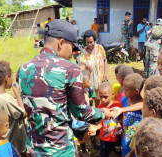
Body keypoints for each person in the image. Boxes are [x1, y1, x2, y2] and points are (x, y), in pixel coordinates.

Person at [16, 19, 112, 156]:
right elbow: (82, 112)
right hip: (60, 149)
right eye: (73, 48)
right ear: (61, 43)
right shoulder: (70, 69)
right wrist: (104, 113)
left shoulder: (23, 69)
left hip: (34, 148)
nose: (73, 54)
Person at [0, 60, 27, 155]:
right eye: (11, 77)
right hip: (13, 144)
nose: (12, 80)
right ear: (6, 78)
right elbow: (23, 114)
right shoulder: (5, 99)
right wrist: (18, 95)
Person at [93, 82, 122, 157]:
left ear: (112, 94)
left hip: (116, 138)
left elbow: (121, 116)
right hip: (104, 139)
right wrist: (95, 128)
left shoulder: (118, 105)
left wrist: (119, 123)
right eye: (100, 96)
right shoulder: (99, 108)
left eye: (105, 97)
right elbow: (99, 123)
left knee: (116, 154)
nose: (102, 99)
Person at [81, 30, 108, 107]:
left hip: (100, 77)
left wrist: (105, 74)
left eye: (91, 42)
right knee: (90, 97)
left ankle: (97, 111)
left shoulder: (100, 48)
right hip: (90, 80)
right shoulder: (84, 52)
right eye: (87, 42)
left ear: (95, 40)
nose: (89, 44)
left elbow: (105, 59)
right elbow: (82, 65)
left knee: (99, 97)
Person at [118, 73, 143, 157]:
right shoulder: (124, 100)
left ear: (136, 91)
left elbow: (142, 105)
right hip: (125, 139)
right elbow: (121, 114)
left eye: (126, 90)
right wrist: (119, 122)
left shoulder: (144, 104)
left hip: (137, 143)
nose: (124, 92)